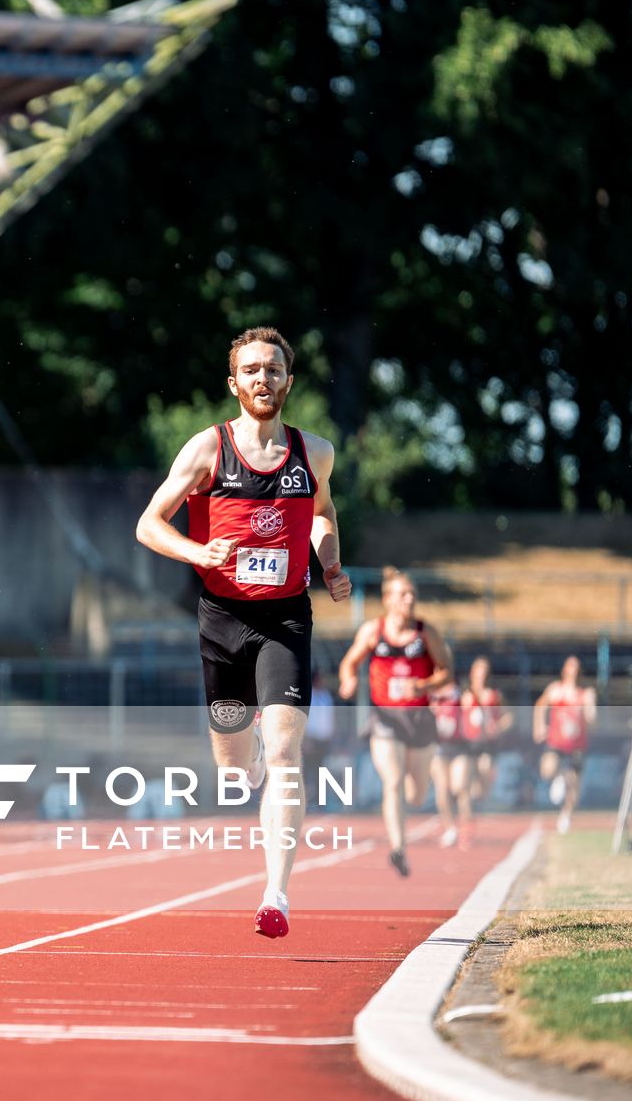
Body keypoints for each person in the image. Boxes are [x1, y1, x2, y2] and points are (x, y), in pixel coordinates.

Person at [135, 327, 352, 940]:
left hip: (285, 619)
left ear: (289, 380)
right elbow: (149, 524)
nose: (263, 379)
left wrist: (329, 562)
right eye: (251, 370)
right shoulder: (208, 450)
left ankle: (275, 893)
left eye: (274, 370)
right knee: (235, 762)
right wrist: (199, 553)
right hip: (222, 618)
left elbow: (323, 513)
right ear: (234, 384)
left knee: (286, 753)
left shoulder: (316, 453)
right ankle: (247, 755)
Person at [338, 568, 452, 879]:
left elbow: (446, 672)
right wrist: (348, 680)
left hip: (419, 717)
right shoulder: (373, 632)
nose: (410, 599)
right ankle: (398, 847)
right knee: (393, 781)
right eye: (403, 594)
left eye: (412, 593)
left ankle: (401, 834)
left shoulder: (425, 633)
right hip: (385, 717)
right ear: (388, 600)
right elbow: (349, 663)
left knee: (416, 794)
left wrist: (425, 686)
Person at [533, 655, 596, 833]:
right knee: (547, 769)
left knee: (574, 784)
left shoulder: (585, 693)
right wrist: (539, 726)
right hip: (556, 742)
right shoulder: (556, 690)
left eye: (576, 669)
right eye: (570, 668)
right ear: (564, 670)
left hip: (577, 745)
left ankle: (566, 815)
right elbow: (540, 705)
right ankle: (559, 776)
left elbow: (592, 719)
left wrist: (591, 714)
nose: (573, 673)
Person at [452, 656, 513, 837]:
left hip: (487, 744)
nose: (481, 676)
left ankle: (475, 804)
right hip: (466, 744)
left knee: (482, 780)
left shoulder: (495, 695)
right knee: (461, 784)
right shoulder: (464, 694)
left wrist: (498, 727)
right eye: (478, 672)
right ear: (472, 674)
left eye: (484, 672)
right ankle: (466, 821)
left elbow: (509, 717)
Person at [429, 682, 463, 847]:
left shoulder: (457, 691)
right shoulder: (428, 692)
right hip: (438, 747)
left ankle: (459, 816)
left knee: (458, 787)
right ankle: (450, 827)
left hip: (458, 746)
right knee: (442, 788)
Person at [302, 667, 336, 807]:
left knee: (321, 770)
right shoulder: (308, 695)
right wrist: (306, 739)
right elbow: (305, 718)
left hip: (324, 740)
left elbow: (330, 716)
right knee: (307, 770)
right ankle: (306, 800)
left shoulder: (326, 695)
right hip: (311, 739)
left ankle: (320, 801)